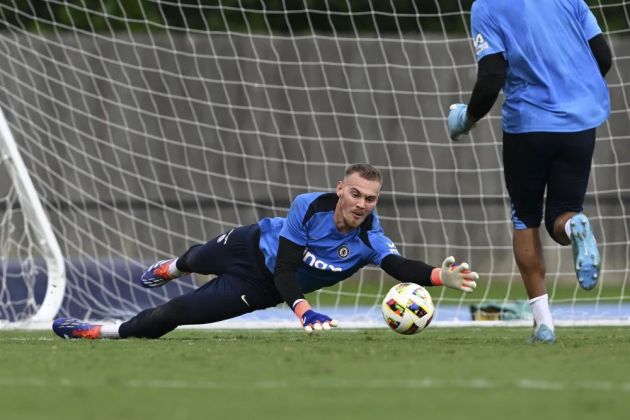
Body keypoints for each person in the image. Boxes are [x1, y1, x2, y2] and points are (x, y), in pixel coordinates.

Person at [52, 163, 479, 339]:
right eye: (356, 194)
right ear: (340, 190)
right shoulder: (307, 206)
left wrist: (442, 277)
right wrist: (304, 311)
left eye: (370, 199)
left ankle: (99, 331)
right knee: (196, 258)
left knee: (175, 315)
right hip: (251, 244)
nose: (362, 204)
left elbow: (399, 265)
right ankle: (172, 266)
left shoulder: (370, 239)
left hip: (261, 286)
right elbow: (290, 263)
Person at [447, 0, 612, 343]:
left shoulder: (487, 7)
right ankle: (574, 224)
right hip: (581, 121)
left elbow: (491, 79)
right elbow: (603, 57)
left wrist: (467, 118)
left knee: (525, 219)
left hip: (529, 126)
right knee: (563, 214)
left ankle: (544, 324)